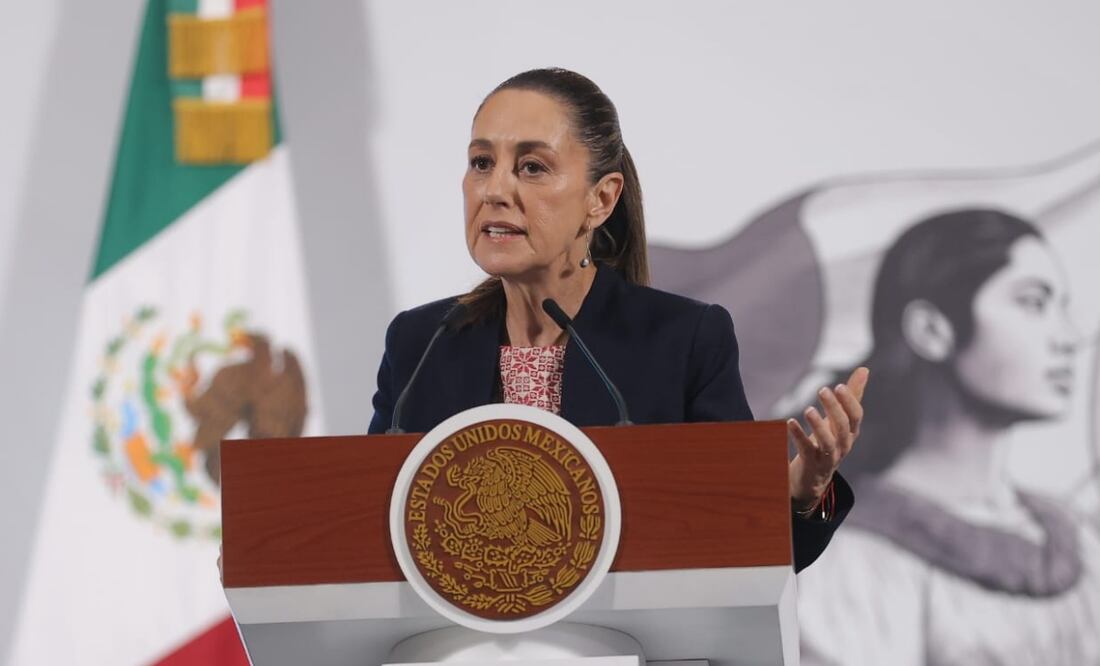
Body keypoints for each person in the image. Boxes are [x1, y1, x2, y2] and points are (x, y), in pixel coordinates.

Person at [367, 68, 867, 572]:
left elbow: (742, 550)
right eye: (481, 162)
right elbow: (365, 529)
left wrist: (803, 494)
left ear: (601, 199)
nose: (494, 189)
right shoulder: (420, 342)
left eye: (532, 167)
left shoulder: (682, 341)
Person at [797, 209, 1100, 664]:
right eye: (1034, 303)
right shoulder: (852, 557)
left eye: (1062, 307)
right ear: (932, 330)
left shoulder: (1081, 537)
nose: (1070, 337)